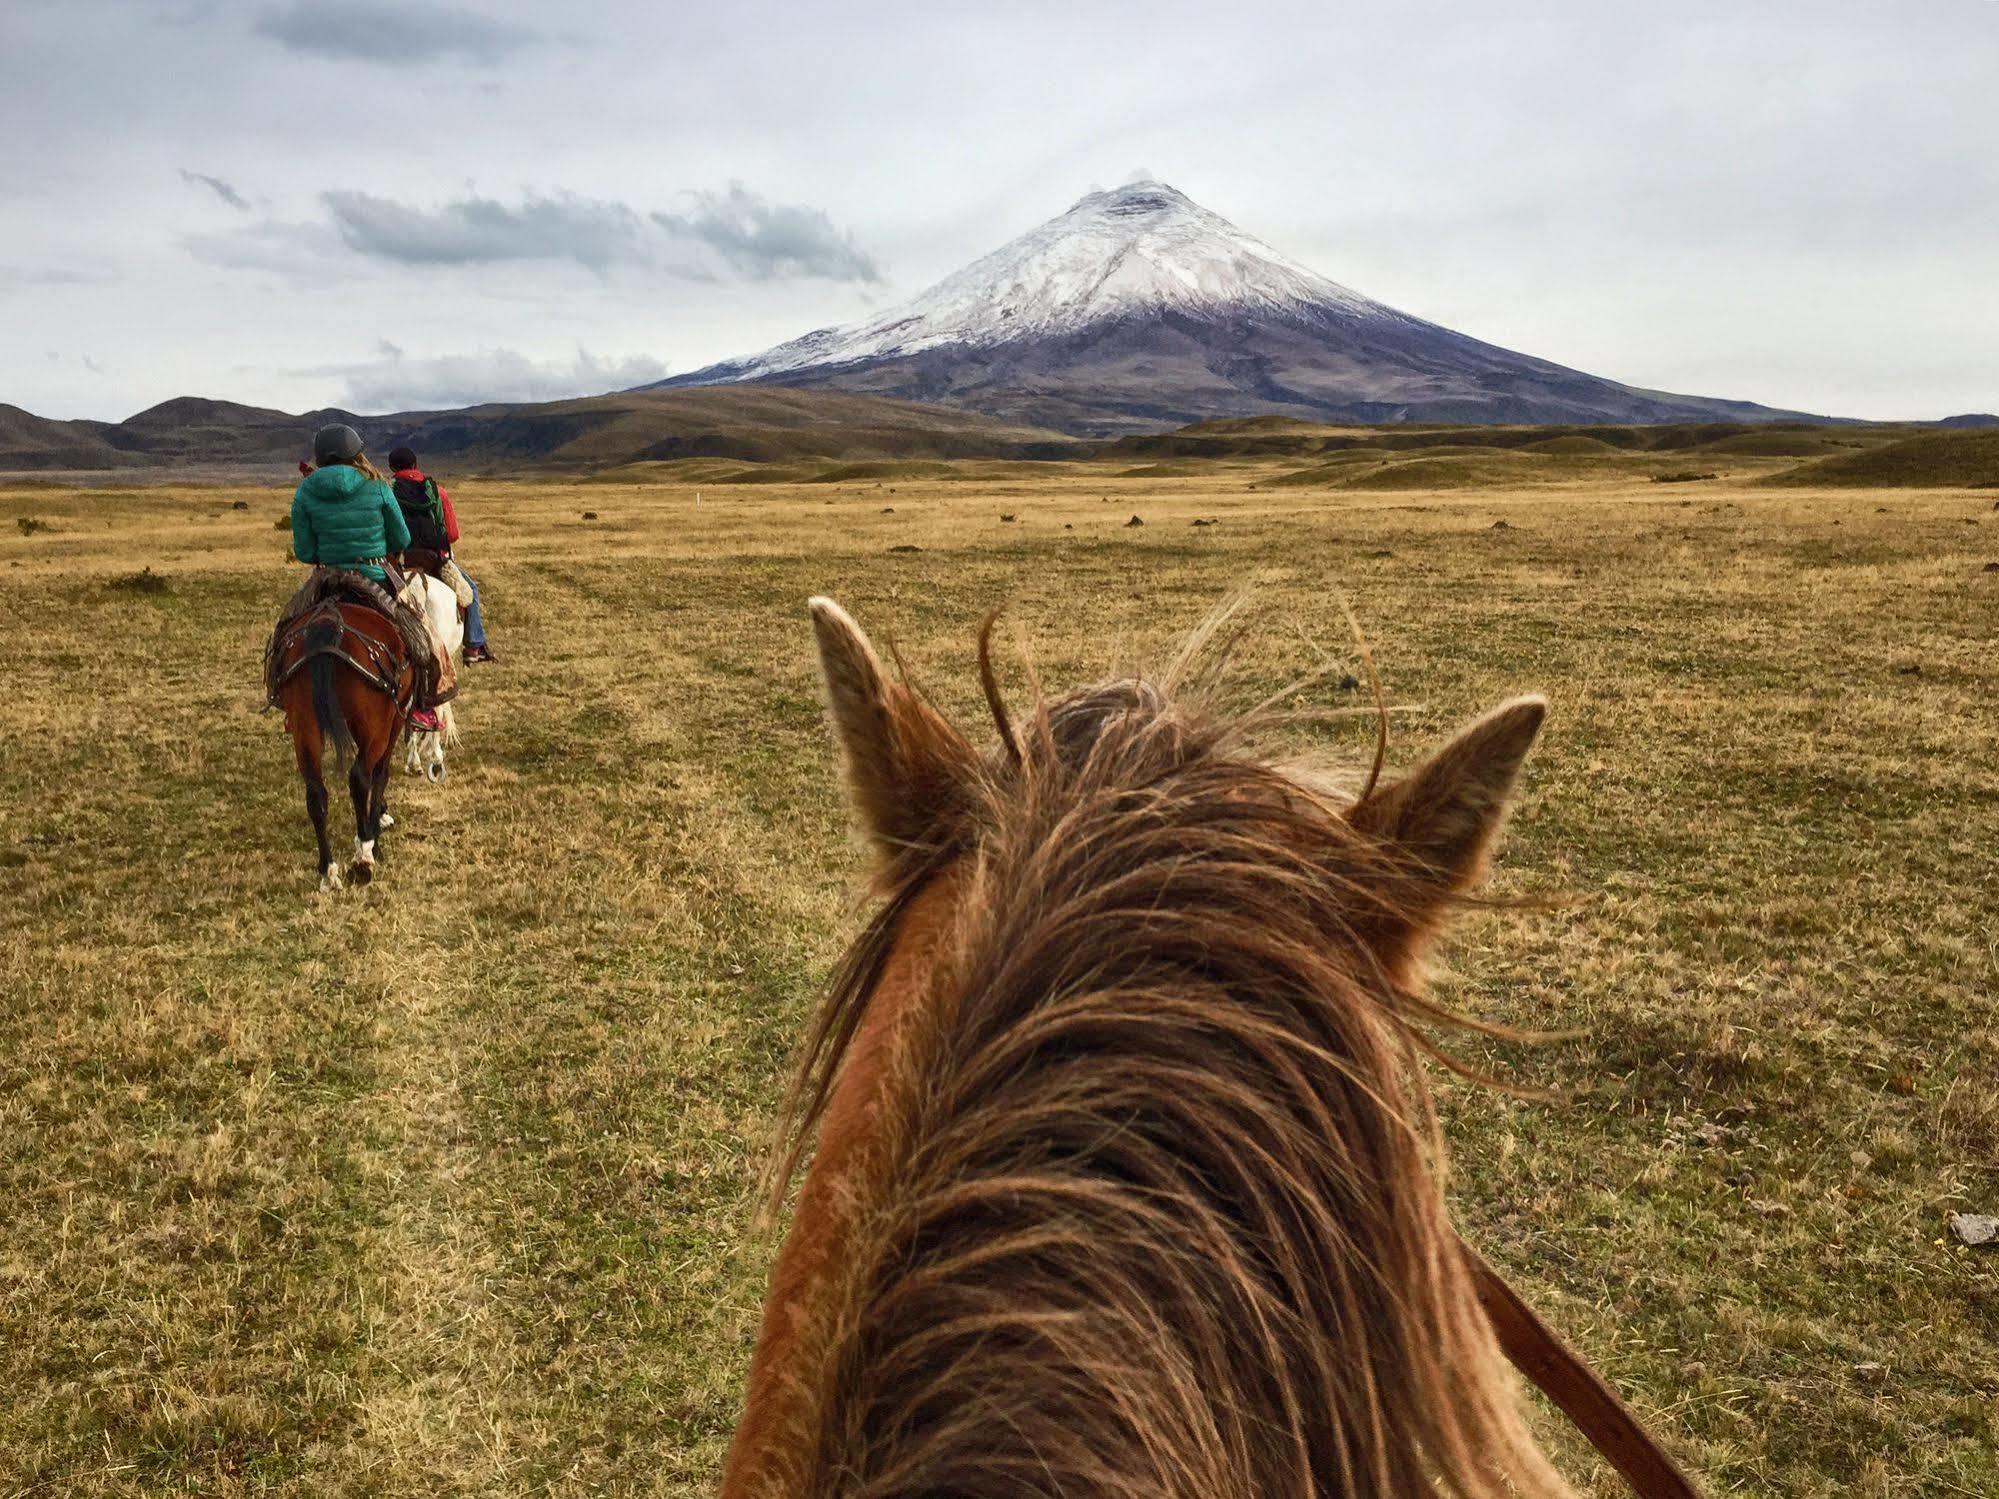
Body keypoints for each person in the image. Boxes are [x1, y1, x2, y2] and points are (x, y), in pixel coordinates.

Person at [288, 423, 456, 730]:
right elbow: (402, 539)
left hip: (327, 580)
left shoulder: (305, 490)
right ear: (357, 453)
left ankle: (286, 699)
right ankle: (423, 706)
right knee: (421, 636)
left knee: (286, 631)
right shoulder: (378, 486)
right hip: (374, 577)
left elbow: (304, 551)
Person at [387, 445, 496, 664]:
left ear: (391, 467)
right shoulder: (437, 492)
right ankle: (474, 647)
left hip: (399, 560)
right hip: (434, 560)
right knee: (470, 590)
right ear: (416, 465)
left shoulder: (386, 490)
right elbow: (453, 533)